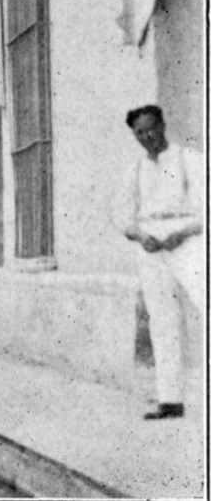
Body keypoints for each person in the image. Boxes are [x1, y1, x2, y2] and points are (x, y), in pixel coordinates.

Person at [118, 105, 206, 420]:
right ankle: (170, 400)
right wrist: (141, 237)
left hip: (189, 240)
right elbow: (123, 216)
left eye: (152, 128)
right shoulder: (135, 170)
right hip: (152, 246)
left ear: (163, 125)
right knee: (162, 320)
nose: (148, 136)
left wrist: (183, 233)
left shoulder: (189, 159)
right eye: (140, 132)